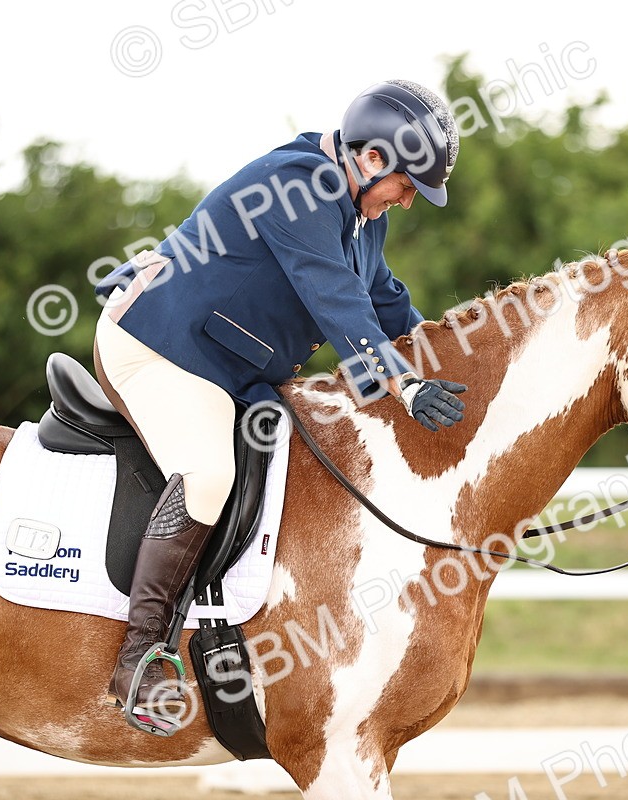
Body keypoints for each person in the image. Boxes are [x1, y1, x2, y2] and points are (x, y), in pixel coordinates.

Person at [91, 79, 468, 725]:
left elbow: (384, 300)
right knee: (208, 475)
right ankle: (140, 657)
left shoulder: (362, 213)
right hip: (159, 348)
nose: (408, 201)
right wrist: (405, 385)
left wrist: (458, 358)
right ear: (372, 158)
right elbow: (336, 298)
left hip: (229, 368)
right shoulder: (299, 185)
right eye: (407, 186)